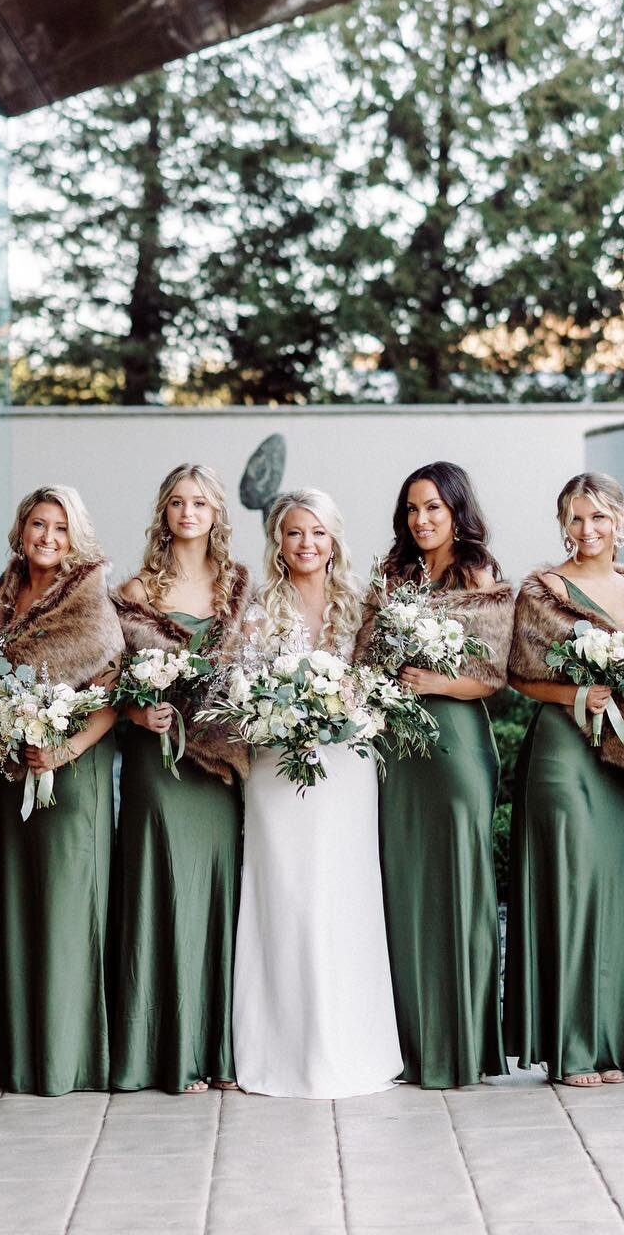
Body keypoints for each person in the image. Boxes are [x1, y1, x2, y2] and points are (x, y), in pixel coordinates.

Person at [229, 488, 402, 1097]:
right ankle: (279, 1047)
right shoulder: (259, 608)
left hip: (346, 767)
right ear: (279, 540)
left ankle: (351, 1044)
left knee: (342, 897)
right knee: (286, 897)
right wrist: (281, 716)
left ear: (334, 540)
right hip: (278, 768)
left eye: (317, 533)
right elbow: (240, 688)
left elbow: (380, 684)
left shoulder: (361, 604)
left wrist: (342, 708)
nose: (306, 544)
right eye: (294, 532)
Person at [359, 461, 512, 1088]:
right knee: (403, 883)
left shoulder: (479, 574)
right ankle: (409, 1044)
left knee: (457, 883)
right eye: (413, 510)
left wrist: (436, 682)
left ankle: (462, 1045)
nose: (422, 521)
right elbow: (365, 652)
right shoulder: (391, 577)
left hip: (455, 746)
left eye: (433, 509)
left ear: (456, 511)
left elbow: (495, 672)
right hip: (398, 746)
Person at [504, 472, 624, 1087]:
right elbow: (519, 674)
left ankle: (606, 1043)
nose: (587, 529)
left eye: (598, 517)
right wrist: (578, 692)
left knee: (609, 887)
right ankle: (568, 1047)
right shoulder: (544, 591)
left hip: (618, 753)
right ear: (562, 525)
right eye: (574, 518)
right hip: (564, 750)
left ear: (620, 520)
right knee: (567, 884)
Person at [0, 486, 123, 1095]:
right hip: (14, 775)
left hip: (71, 773)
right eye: (39, 524)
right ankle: (15, 1055)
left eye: (60, 529)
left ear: (75, 537)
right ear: (21, 530)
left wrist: (62, 749)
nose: (47, 538)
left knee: (66, 909)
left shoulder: (90, 598)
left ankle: (69, 1058)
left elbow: (112, 689)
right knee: (17, 905)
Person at [110, 464, 251, 1094]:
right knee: (159, 886)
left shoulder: (240, 586)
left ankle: (216, 1050)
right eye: (176, 502)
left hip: (217, 762)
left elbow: (257, 663)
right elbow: (108, 675)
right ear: (163, 512)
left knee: (215, 890)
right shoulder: (137, 590)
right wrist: (139, 711)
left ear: (217, 511)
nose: (188, 512)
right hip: (157, 759)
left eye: (199, 502)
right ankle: (163, 1051)